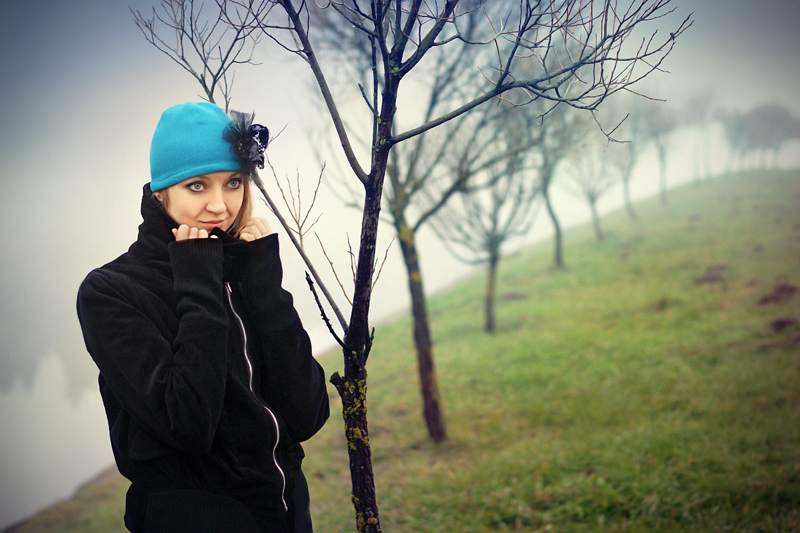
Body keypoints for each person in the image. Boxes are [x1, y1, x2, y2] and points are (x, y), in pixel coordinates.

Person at [77, 102, 330, 532]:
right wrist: (198, 284)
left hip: (285, 512)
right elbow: (188, 425)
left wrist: (265, 286)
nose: (220, 205)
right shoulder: (111, 291)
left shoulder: (242, 267)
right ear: (161, 193)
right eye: (197, 186)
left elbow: (308, 414)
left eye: (233, 182)